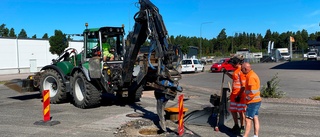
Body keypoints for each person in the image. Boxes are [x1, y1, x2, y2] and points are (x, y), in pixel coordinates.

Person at [224, 55, 246, 134]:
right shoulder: (236, 70)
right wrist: (227, 73)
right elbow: (234, 78)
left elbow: (243, 86)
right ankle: (236, 125)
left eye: (233, 64)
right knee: (233, 110)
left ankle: (242, 127)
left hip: (239, 95)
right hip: (234, 95)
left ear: (237, 63)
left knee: (241, 111)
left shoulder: (241, 71)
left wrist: (239, 95)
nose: (231, 65)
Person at [240, 62, 262, 137]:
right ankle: (256, 135)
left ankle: (245, 136)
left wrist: (247, 99)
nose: (241, 71)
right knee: (255, 118)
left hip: (253, 102)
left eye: (242, 69)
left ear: (245, 69)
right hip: (256, 101)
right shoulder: (251, 75)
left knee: (248, 119)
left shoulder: (251, 77)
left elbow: (253, 92)